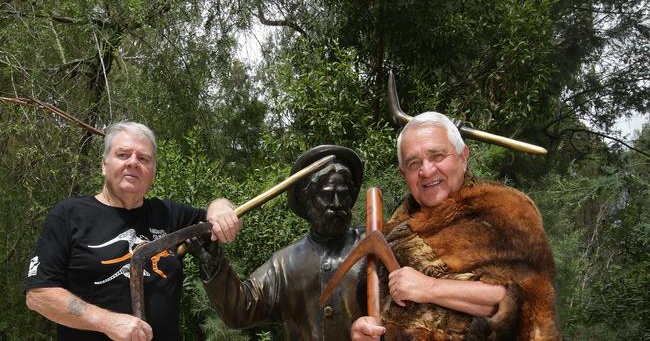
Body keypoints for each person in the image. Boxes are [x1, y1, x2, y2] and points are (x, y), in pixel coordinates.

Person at [351, 112, 560, 340]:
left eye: (437, 156)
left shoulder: (507, 211)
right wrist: (365, 332)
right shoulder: (393, 232)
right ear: (404, 174)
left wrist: (429, 288)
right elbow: (380, 312)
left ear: (463, 156)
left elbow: (526, 298)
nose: (427, 171)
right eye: (414, 163)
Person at [24, 121, 241, 341]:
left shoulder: (169, 215)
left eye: (143, 159)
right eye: (123, 155)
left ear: (153, 173)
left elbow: (216, 216)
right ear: (104, 165)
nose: (133, 163)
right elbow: (39, 295)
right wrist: (107, 322)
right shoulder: (68, 215)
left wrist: (221, 206)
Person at [186, 145, 366, 340]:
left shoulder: (374, 244)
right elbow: (241, 310)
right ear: (307, 201)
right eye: (327, 195)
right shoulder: (284, 264)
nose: (338, 204)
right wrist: (211, 261)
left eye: (344, 194)